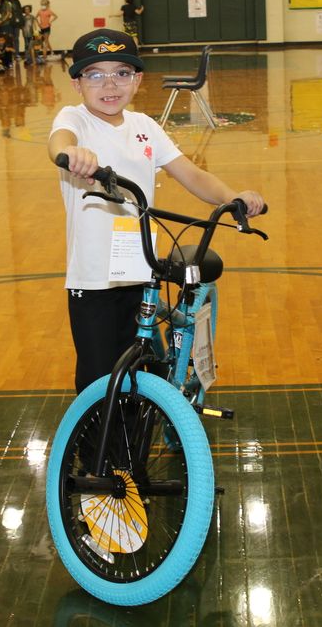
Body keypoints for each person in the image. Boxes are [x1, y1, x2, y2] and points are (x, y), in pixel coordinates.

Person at [47, 28, 265, 392]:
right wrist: (73, 155)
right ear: (77, 84)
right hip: (93, 278)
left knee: (142, 373)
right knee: (97, 378)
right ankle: (96, 448)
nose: (109, 84)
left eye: (121, 73)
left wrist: (233, 197)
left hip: (138, 266)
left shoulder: (144, 126)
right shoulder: (76, 120)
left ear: (137, 81)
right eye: (95, 74)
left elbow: (191, 173)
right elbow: (59, 142)